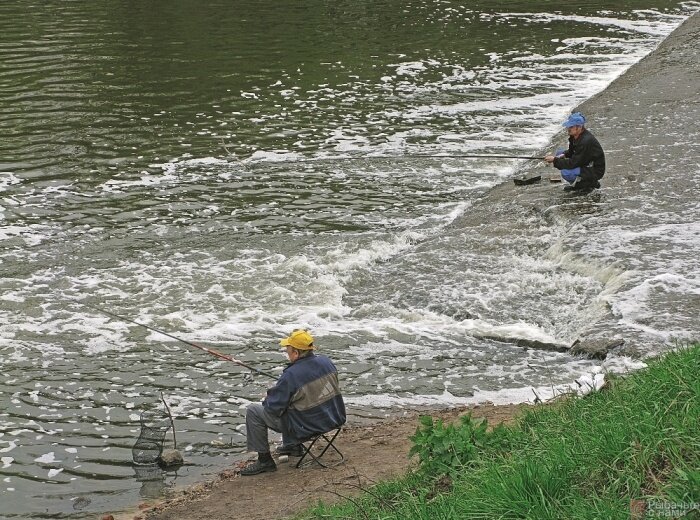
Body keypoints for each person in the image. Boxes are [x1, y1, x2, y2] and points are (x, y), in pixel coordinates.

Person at [240, 329, 346, 476]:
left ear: (296, 353)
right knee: (296, 403)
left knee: (253, 410)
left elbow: (272, 408)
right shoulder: (326, 362)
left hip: (307, 428)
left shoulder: (291, 375)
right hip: (333, 418)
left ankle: (264, 461)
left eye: (288, 349)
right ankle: (293, 447)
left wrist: (269, 395)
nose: (286, 352)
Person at [544, 112, 605, 192]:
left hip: (595, 170)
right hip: (585, 162)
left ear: (579, 127)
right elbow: (572, 153)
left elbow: (574, 163)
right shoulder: (575, 136)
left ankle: (585, 185)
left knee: (566, 172)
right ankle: (584, 182)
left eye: (571, 127)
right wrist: (564, 155)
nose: (568, 128)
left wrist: (555, 160)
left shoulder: (585, 141)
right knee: (560, 152)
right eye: (568, 126)